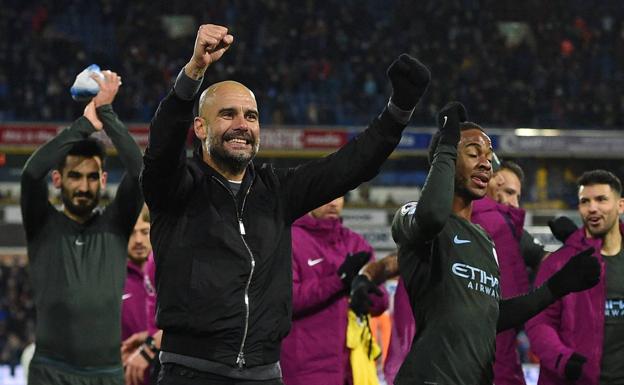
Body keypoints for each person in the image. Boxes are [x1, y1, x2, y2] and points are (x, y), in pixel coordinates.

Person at [141, 24, 431, 384]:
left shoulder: (276, 190)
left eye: (251, 116)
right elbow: (162, 145)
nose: (242, 125)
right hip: (191, 372)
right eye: (228, 114)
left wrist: (398, 110)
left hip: (265, 374)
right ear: (200, 127)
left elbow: (350, 166)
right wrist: (194, 72)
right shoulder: (175, 188)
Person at [389, 102, 601, 385]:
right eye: (474, 153)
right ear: (448, 157)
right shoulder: (412, 215)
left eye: (488, 156)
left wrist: (555, 287)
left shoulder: (484, 240)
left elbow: (490, 316)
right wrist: (446, 145)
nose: (486, 163)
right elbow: (432, 216)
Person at [21, 70, 143, 385]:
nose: (84, 186)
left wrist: (107, 113)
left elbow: (141, 172)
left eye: (92, 177)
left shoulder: (116, 224)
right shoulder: (42, 223)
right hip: (50, 372)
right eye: (75, 176)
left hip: (106, 375)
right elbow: (32, 174)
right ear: (59, 180)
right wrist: (85, 125)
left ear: (103, 181)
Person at [526, 170, 624, 385]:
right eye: (584, 201)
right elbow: (539, 322)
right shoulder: (558, 263)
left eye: (601, 199)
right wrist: (563, 359)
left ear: (620, 205)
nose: (592, 208)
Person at [280, 197, 388, 385]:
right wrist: (339, 281)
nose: (333, 203)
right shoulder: (289, 240)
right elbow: (288, 299)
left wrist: (363, 289)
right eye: (325, 197)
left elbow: (381, 303)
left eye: (339, 196)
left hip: (353, 371)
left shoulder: (355, 243)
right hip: (304, 372)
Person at [120, 205, 161, 385]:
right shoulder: (111, 280)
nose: (138, 240)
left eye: (145, 232)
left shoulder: (172, 273)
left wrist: (149, 342)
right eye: (131, 233)